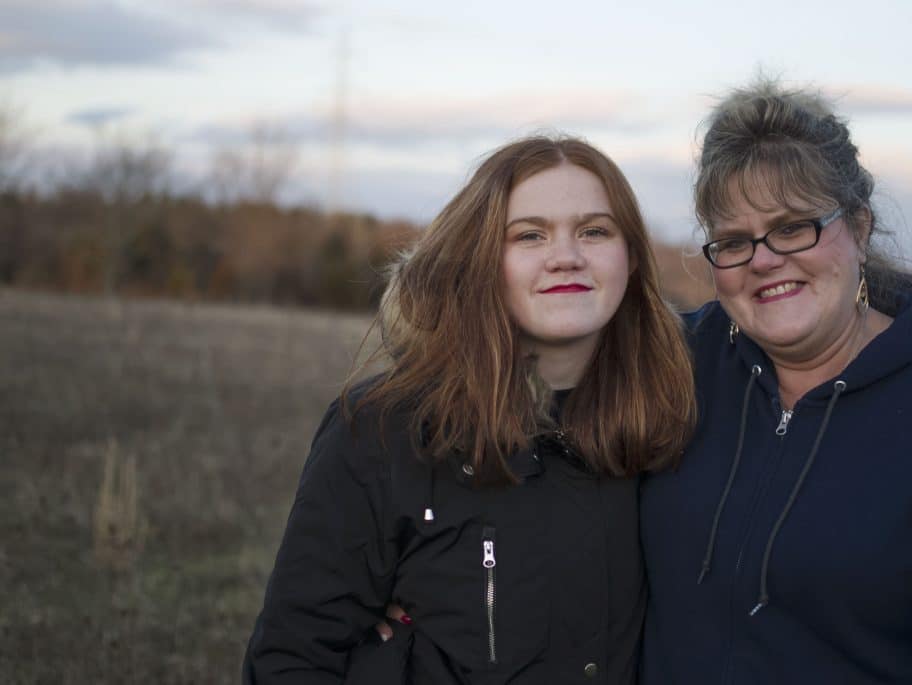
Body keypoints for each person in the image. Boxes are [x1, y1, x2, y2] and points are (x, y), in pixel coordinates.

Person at [243, 135, 697, 683]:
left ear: (631, 258)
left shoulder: (667, 414)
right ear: (482, 258)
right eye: (529, 235)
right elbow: (292, 661)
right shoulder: (385, 428)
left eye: (594, 231)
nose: (566, 256)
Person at [640, 78, 912, 684]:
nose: (764, 259)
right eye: (735, 242)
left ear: (861, 227)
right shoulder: (669, 367)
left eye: (793, 227)